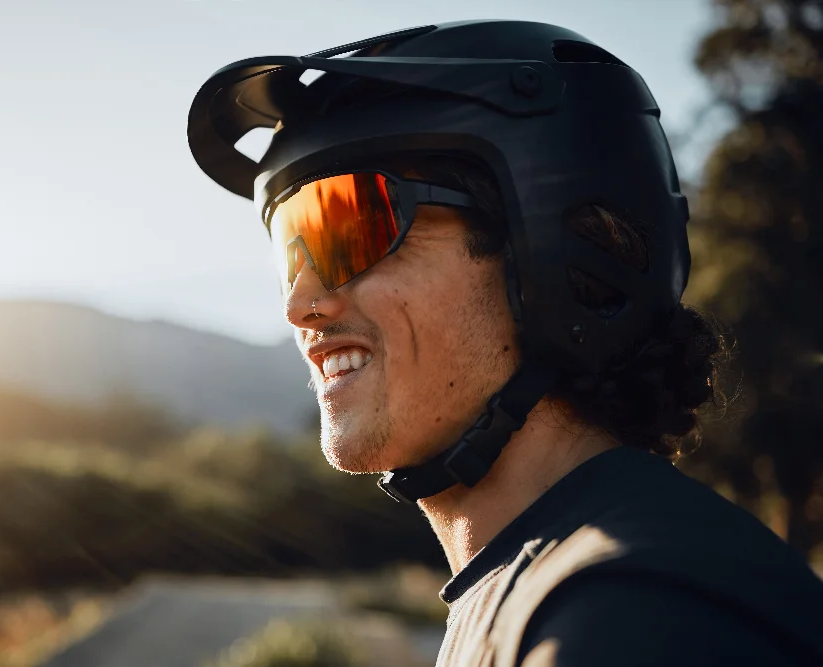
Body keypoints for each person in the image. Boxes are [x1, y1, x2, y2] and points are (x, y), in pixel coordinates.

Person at [187, 20, 823, 666]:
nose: (300, 304)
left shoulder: (636, 614)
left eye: (351, 227)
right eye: (289, 250)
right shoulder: (551, 589)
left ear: (548, 256)